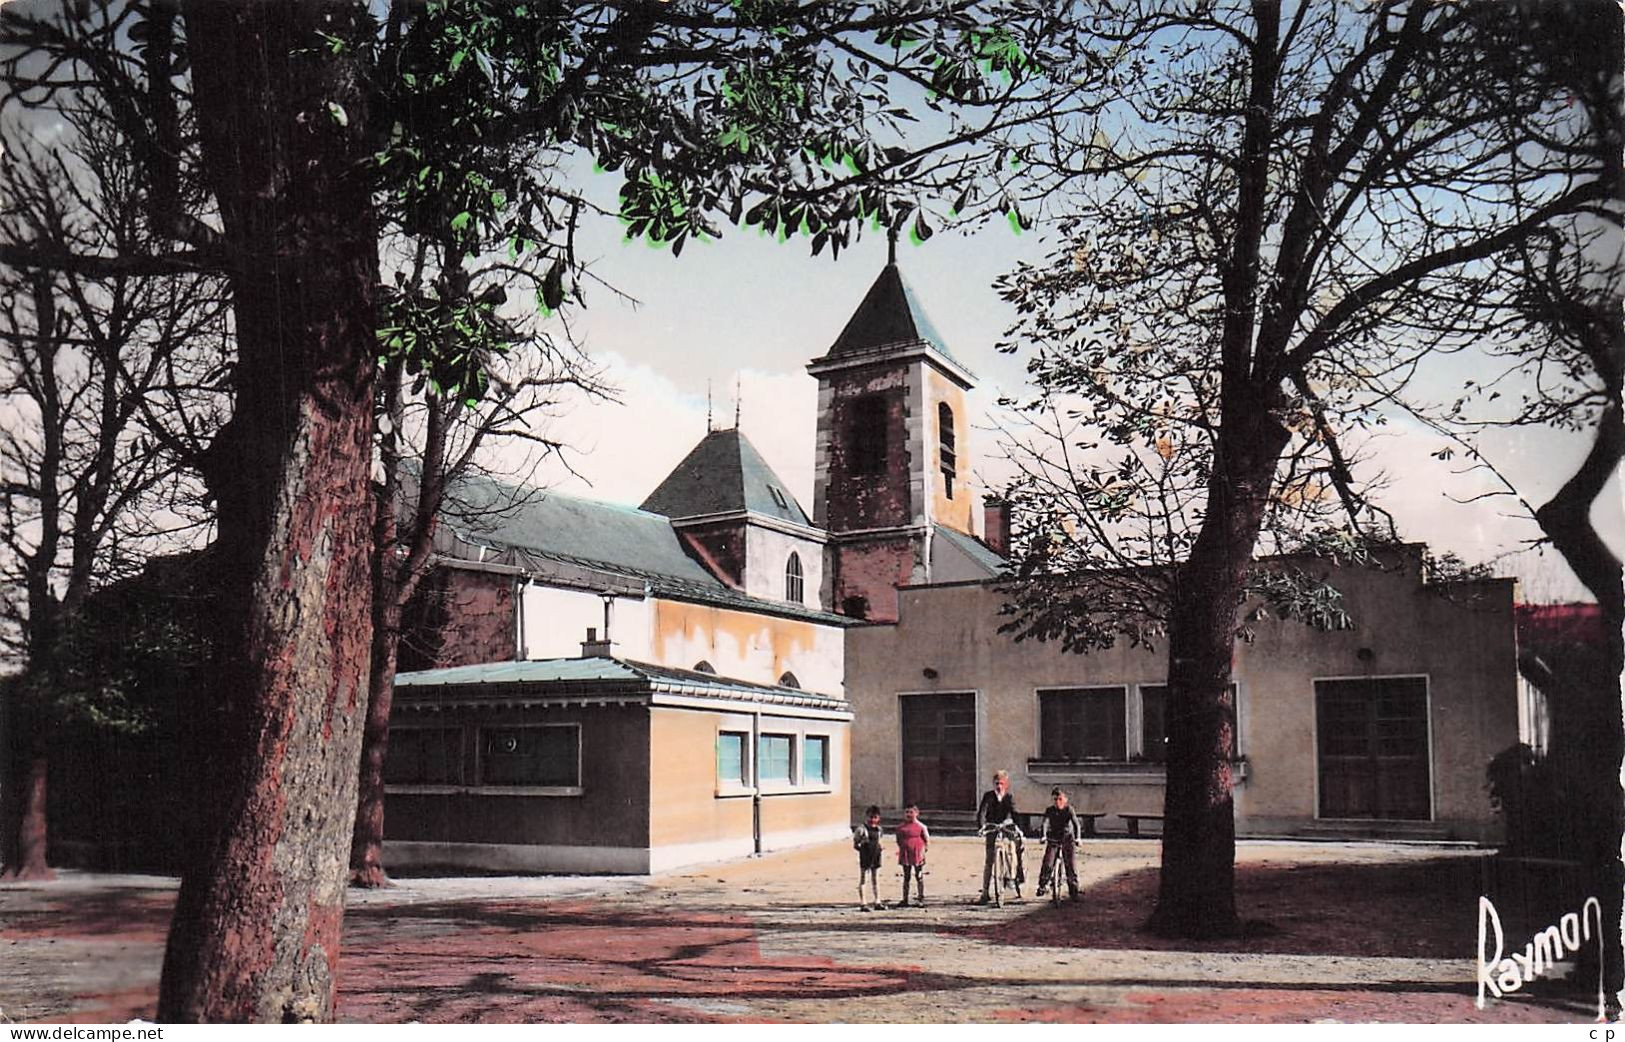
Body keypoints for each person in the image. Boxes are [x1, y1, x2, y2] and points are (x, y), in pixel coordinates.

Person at [976, 769, 1025, 903]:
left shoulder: (1009, 797)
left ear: (1006, 784)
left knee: (1012, 853)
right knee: (989, 861)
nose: (999, 786)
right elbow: (982, 812)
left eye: (1002, 783)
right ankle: (985, 892)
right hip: (992, 828)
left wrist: (1018, 828)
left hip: (1006, 828)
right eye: (997, 783)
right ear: (993, 784)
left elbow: (1014, 813)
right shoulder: (988, 796)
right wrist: (981, 827)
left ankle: (1013, 879)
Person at [1036, 786, 1083, 901]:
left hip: (1067, 839)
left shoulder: (1069, 810)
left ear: (1065, 800)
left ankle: (1074, 891)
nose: (1058, 802)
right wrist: (1043, 836)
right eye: (1055, 799)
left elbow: (1076, 824)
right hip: (1053, 838)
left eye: (1060, 799)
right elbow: (1045, 823)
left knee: (1071, 865)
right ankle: (1043, 885)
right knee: (1048, 862)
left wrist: (1078, 838)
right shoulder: (1050, 810)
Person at [894, 803, 930, 907]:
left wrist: (923, 852)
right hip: (905, 854)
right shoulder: (900, 827)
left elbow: (927, 840)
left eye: (911, 812)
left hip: (917, 854)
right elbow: (898, 840)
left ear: (916, 813)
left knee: (919, 875)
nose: (909, 814)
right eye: (907, 812)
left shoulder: (921, 826)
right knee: (906, 876)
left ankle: (920, 898)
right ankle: (905, 899)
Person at [852, 805, 884, 910]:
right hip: (865, 855)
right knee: (863, 879)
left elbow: (879, 841)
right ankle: (863, 902)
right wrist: (863, 850)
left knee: (876, 879)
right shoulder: (861, 829)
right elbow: (856, 844)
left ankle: (877, 901)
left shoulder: (879, 830)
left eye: (875, 817)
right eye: (870, 817)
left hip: (876, 856)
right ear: (866, 817)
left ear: (878, 818)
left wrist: (880, 848)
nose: (872, 820)